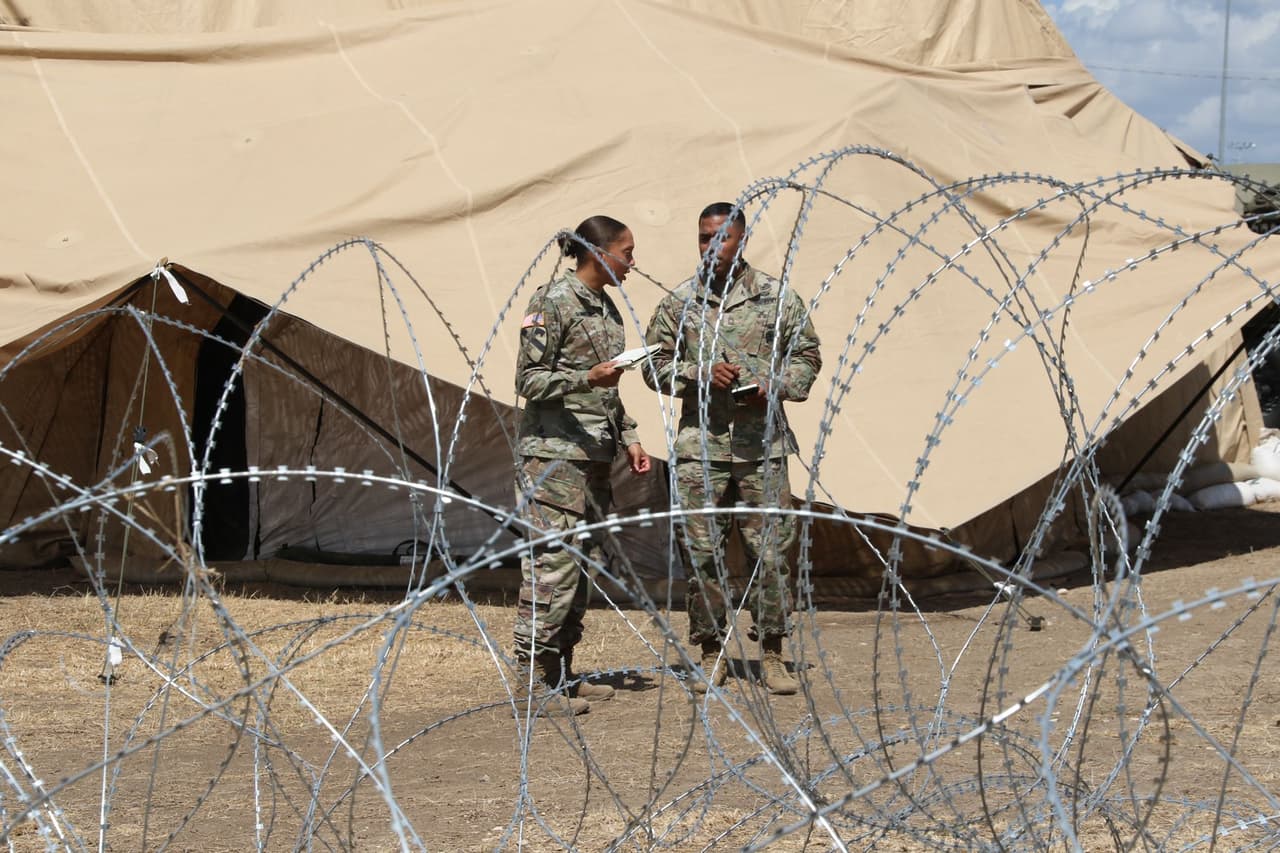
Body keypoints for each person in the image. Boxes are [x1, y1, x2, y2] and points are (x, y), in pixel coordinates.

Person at [643, 202, 822, 695]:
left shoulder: (776, 298)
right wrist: (697, 374)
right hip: (700, 447)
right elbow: (651, 364)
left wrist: (775, 384)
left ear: (742, 241)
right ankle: (710, 650)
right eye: (704, 238)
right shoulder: (679, 302)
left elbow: (807, 355)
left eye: (722, 238)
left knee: (770, 552)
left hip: (760, 447)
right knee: (704, 553)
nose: (711, 247)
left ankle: (772, 650)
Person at [513, 214, 652, 716]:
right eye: (627, 252)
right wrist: (583, 379)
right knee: (551, 569)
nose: (633, 262)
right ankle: (532, 683)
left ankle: (561, 674)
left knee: (578, 569)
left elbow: (609, 389)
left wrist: (630, 437)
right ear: (599, 253)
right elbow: (528, 381)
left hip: (593, 456)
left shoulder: (607, 310)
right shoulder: (552, 301)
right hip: (552, 459)